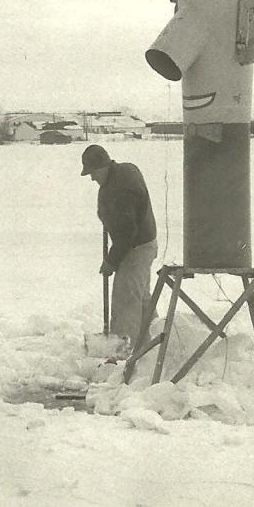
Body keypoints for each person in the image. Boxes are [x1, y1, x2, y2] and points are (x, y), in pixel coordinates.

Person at [81, 144, 158, 354]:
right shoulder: (125, 171)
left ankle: (123, 353)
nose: (91, 178)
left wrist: (111, 261)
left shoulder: (121, 188)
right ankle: (151, 345)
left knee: (126, 299)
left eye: (93, 172)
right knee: (140, 297)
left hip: (136, 247)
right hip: (144, 244)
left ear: (103, 166)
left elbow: (126, 232)